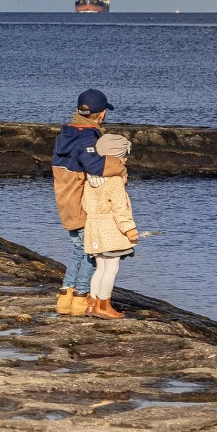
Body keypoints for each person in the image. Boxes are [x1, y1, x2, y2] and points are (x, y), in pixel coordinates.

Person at [51, 89, 114, 318]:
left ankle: (65, 295)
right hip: (81, 204)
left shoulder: (66, 135)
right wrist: (119, 166)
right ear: (102, 114)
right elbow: (96, 166)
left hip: (65, 203)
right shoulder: (87, 138)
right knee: (90, 251)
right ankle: (81, 296)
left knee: (78, 250)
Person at [83, 132, 138, 319]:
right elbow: (120, 209)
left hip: (93, 228)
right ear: (114, 158)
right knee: (111, 269)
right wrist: (129, 229)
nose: (125, 160)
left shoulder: (90, 179)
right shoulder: (114, 182)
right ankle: (104, 304)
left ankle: (92, 303)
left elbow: (86, 204)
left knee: (99, 267)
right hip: (110, 230)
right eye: (123, 156)